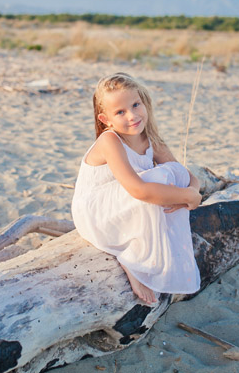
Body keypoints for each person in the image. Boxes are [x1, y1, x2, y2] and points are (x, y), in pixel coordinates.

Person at [71, 72, 202, 304]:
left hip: (122, 206)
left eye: (135, 105)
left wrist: (193, 192)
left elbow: (187, 175)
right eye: (120, 112)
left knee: (172, 172)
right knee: (158, 179)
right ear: (106, 119)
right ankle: (132, 260)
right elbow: (138, 190)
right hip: (95, 214)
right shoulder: (110, 141)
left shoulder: (151, 138)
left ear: (144, 102)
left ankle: (159, 249)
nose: (132, 115)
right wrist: (187, 196)